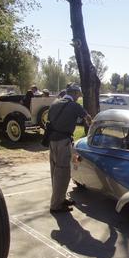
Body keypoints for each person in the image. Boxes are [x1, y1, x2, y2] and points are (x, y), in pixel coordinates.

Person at [48, 84, 92, 213]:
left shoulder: (54, 103)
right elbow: (87, 117)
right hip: (63, 142)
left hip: (52, 141)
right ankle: (56, 206)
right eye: (78, 95)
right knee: (62, 173)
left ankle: (60, 199)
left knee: (55, 172)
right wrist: (92, 126)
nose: (78, 97)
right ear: (74, 93)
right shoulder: (74, 106)